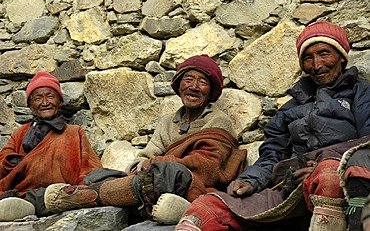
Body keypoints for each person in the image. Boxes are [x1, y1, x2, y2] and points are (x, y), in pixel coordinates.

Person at [175, 21, 370, 231]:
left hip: (347, 194)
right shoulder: (290, 108)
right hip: (294, 190)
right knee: (208, 205)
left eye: (324, 53)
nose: (316, 64)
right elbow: (273, 153)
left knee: (329, 175)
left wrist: (324, 164)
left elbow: (365, 146)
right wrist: (250, 180)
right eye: (307, 57)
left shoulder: (361, 94)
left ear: (342, 56)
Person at [43, 55, 247, 225]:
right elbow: (146, 156)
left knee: (169, 172)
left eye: (202, 82)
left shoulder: (218, 121)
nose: (193, 87)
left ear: (211, 91)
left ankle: (82, 197)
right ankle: (156, 206)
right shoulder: (169, 121)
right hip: (155, 183)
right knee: (98, 175)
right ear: (179, 86)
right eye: (188, 80)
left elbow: (207, 167)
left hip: (192, 186)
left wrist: (155, 165)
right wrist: (145, 165)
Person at [0, 71, 102, 221]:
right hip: (22, 192)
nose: (45, 102)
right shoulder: (19, 134)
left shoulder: (74, 132)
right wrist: (21, 163)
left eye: (50, 96)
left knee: (55, 197)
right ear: (30, 105)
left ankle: (36, 205)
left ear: (60, 102)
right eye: (38, 98)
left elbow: (89, 166)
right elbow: (3, 163)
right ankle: (24, 206)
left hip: (59, 192)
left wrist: (81, 190)